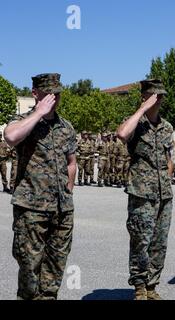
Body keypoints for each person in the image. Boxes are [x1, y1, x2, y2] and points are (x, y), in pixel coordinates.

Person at [4, 73, 77, 300]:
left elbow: (71, 162)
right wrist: (38, 113)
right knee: (29, 266)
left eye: (57, 93)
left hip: (61, 209)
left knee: (56, 264)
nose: (54, 98)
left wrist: (68, 190)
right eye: (48, 93)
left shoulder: (66, 127)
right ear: (35, 93)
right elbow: (11, 136)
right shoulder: (23, 120)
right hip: (31, 209)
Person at [116, 79, 174, 300]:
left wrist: (166, 179)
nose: (158, 100)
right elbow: (121, 135)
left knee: (160, 242)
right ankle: (139, 286)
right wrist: (141, 109)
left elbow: (169, 159)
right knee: (141, 240)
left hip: (164, 194)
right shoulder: (134, 123)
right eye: (154, 95)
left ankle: (152, 285)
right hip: (141, 193)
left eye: (161, 96)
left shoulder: (167, 127)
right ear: (144, 96)